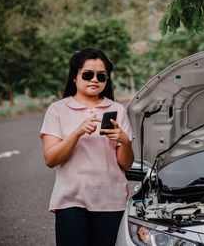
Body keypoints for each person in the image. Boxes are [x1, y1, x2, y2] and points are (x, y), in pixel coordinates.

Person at [40, 47, 134, 246]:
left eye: (101, 76)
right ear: (74, 76)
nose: (94, 80)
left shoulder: (117, 110)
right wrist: (77, 132)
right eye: (88, 74)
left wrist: (125, 141)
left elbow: (125, 164)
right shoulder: (57, 110)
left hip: (111, 201)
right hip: (71, 200)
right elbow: (51, 159)